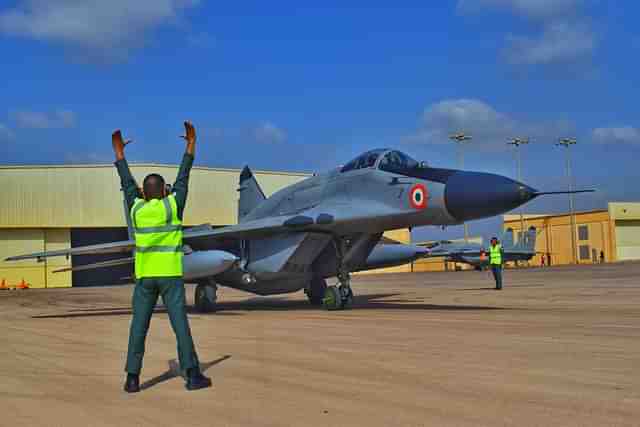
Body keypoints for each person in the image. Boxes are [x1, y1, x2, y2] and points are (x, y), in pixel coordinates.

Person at [112, 121, 211, 393]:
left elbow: (126, 184)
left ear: (144, 193)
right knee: (180, 326)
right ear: (164, 191)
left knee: (138, 328)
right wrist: (190, 145)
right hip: (169, 276)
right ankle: (192, 375)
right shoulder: (172, 205)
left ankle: (132, 379)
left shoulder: (136, 209)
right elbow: (184, 177)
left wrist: (120, 154)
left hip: (144, 278)